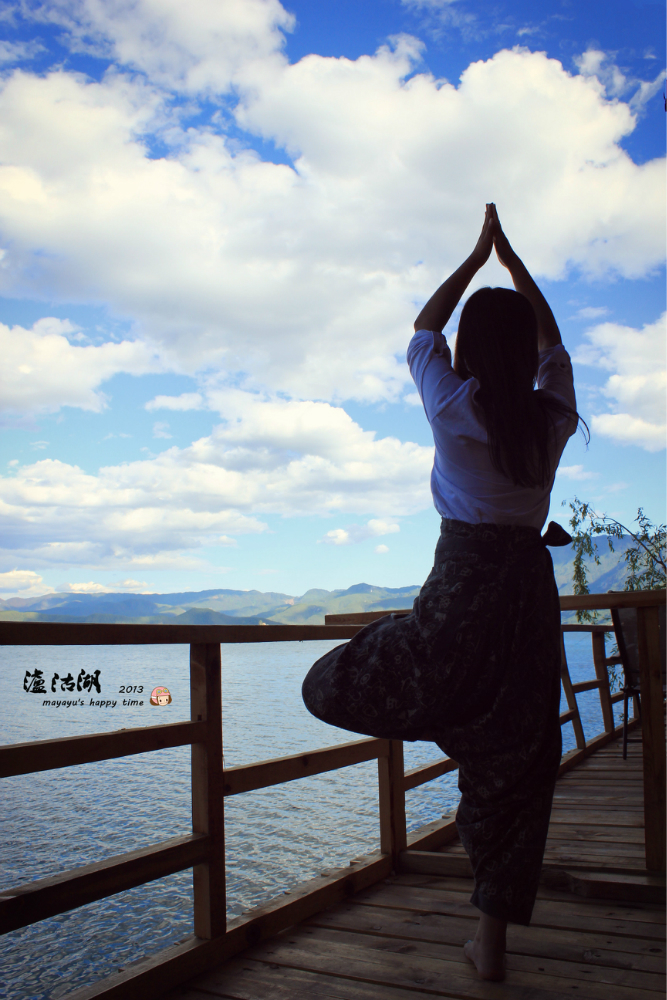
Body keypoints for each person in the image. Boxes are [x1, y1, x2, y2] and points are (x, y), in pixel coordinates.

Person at [302, 203, 584, 982]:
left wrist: (475, 257)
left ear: (469, 349)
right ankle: (489, 946)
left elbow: (423, 329)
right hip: (527, 596)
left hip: (460, 589)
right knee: (517, 761)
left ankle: (450, 719)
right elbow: (554, 346)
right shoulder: (552, 417)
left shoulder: (452, 405)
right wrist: (515, 266)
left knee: (334, 680)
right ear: (521, 350)